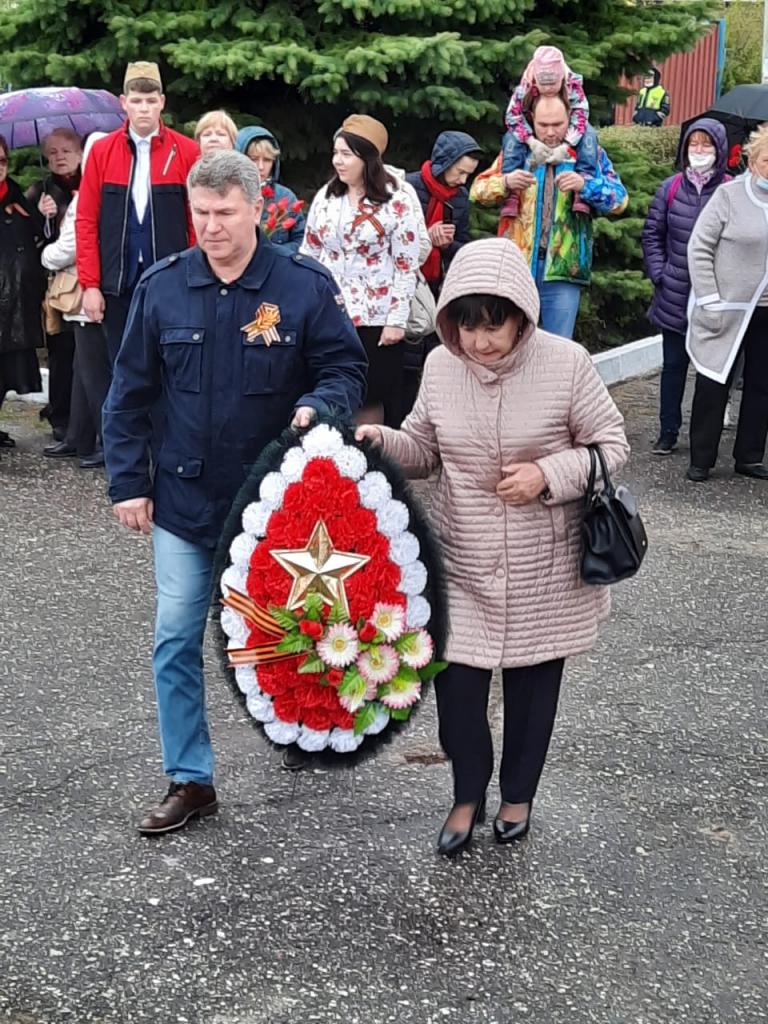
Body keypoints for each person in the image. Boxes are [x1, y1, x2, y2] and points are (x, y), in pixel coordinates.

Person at [102, 151, 367, 834]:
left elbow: (343, 366)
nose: (212, 226)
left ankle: (303, 724)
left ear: (257, 207)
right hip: (186, 505)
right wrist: (129, 484)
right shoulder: (163, 289)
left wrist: (319, 404)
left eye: (224, 212)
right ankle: (190, 780)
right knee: (173, 637)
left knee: (284, 632)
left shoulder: (302, 285)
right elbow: (127, 397)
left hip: (274, 503)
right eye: (201, 213)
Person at [356, 237, 629, 856]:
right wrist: (381, 439)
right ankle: (465, 791)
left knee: (535, 695)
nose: (481, 340)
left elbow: (612, 447)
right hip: (465, 560)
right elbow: (426, 453)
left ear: (522, 314)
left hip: (547, 563)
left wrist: (548, 476)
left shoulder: (566, 362)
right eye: (467, 323)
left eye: (495, 323)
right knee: (456, 700)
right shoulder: (441, 366)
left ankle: (517, 795)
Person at [471, 94, 628, 339]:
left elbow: (620, 200)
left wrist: (585, 185)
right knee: (510, 344)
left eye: (558, 124)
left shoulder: (587, 153)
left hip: (564, 270)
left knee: (558, 348)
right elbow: (477, 191)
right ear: (532, 120)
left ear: (571, 119)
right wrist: (505, 182)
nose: (551, 132)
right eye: (543, 125)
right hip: (516, 266)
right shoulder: (518, 151)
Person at [76, 61, 200, 366]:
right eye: (136, 101)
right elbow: (87, 220)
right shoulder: (102, 152)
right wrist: (90, 285)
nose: (143, 108)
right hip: (118, 283)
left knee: (172, 363)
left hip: (173, 282)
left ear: (162, 102)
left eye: (150, 101)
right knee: (123, 364)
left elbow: (197, 219)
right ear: (123, 103)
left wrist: (198, 277)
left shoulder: (186, 151)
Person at [301, 114, 420, 426]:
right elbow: (309, 251)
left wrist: (396, 321)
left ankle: (369, 465)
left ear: (368, 158)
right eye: (335, 153)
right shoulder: (327, 196)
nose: (338, 161)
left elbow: (407, 265)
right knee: (327, 390)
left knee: (369, 397)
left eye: (346, 155)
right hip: (328, 312)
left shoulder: (398, 198)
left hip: (375, 318)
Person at [685, 125, 768, 482]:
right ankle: (701, 458)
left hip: (765, 310)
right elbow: (699, 247)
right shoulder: (728, 196)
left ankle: (749, 456)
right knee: (713, 379)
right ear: (752, 160)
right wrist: (709, 298)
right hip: (727, 306)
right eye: (767, 160)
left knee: (762, 384)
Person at [642, 118, 729, 456]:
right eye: (694, 145)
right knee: (674, 366)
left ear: (719, 149)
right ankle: (667, 431)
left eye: (707, 145)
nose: (699, 151)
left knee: (710, 371)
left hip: (715, 294)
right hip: (674, 291)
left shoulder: (729, 190)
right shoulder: (671, 187)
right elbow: (653, 233)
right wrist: (660, 273)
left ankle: (704, 437)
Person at [41, 132, 111, 468]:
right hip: (88, 297)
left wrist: (46, 255)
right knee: (82, 370)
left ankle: (101, 446)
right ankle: (79, 439)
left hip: (87, 295)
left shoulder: (89, 195)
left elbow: (68, 247)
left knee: (93, 374)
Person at [28, 128, 83, 440]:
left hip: (88, 281)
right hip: (59, 287)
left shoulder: (92, 182)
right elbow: (32, 243)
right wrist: (42, 217)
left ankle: (83, 418)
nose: (59, 157)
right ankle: (59, 415)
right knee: (61, 352)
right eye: (52, 152)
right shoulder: (41, 191)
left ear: (78, 152)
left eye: (65, 150)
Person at [501, 45, 596, 218]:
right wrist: (530, 141)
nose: (549, 88)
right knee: (510, 137)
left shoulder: (571, 82)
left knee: (589, 133)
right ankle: (512, 194)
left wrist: (566, 145)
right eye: (544, 125)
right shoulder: (526, 83)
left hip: (575, 131)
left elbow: (581, 113)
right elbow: (512, 115)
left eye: (553, 83)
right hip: (527, 133)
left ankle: (583, 184)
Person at [0, 133, 44, 454]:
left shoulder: (18, 196)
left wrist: (42, 215)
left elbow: (36, 241)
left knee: (6, 372)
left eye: (2, 161)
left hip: (15, 298)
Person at [405, 131, 482, 296]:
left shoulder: (460, 195)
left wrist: (447, 245)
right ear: (445, 163)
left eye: (469, 174)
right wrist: (426, 236)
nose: (463, 180)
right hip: (405, 276)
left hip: (439, 281)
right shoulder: (407, 187)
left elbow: (463, 247)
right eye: (460, 172)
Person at [235, 125, 305, 252]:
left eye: (267, 160)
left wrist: (275, 253)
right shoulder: (227, 195)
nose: (260, 166)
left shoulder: (285, 196)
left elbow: (301, 240)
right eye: (253, 159)